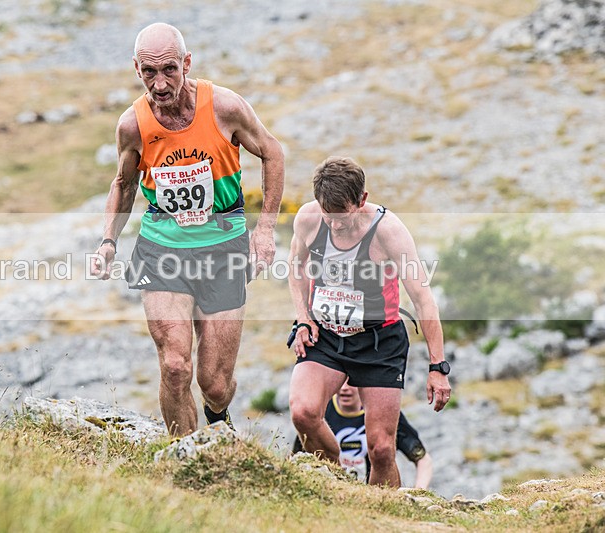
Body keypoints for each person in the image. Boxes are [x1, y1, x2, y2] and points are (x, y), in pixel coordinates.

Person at [89, 23, 284, 437]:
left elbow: (273, 153)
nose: (160, 84)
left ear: (187, 63)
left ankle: (217, 420)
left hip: (224, 248)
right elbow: (123, 184)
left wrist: (264, 229)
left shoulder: (224, 107)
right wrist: (108, 241)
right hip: (163, 250)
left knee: (215, 384)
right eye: (149, 73)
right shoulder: (132, 125)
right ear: (136, 69)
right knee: (175, 366)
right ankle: (186, 460)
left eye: (170, 70)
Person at [287, 156, 450, 487]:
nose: (334, 225)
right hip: (328, 336)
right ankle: (336, 481)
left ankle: (384, 515)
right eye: (327, 215)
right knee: (302, 411)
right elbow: (296, 265)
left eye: (342, 216)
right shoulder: (308, 219)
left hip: (379, 342)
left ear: (361, 200)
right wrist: (303, 319)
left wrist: (438, 367)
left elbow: (422, 298)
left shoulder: (388, 231)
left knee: (380, 448)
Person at [291, 383, 433, 489]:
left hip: (373, 494)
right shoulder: (320, 412)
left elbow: (423, 460)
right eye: (341, 383)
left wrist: (418, 492)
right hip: (331, 491)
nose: (345, 388)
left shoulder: (384, 413)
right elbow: (296, 458)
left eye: (351, 382)